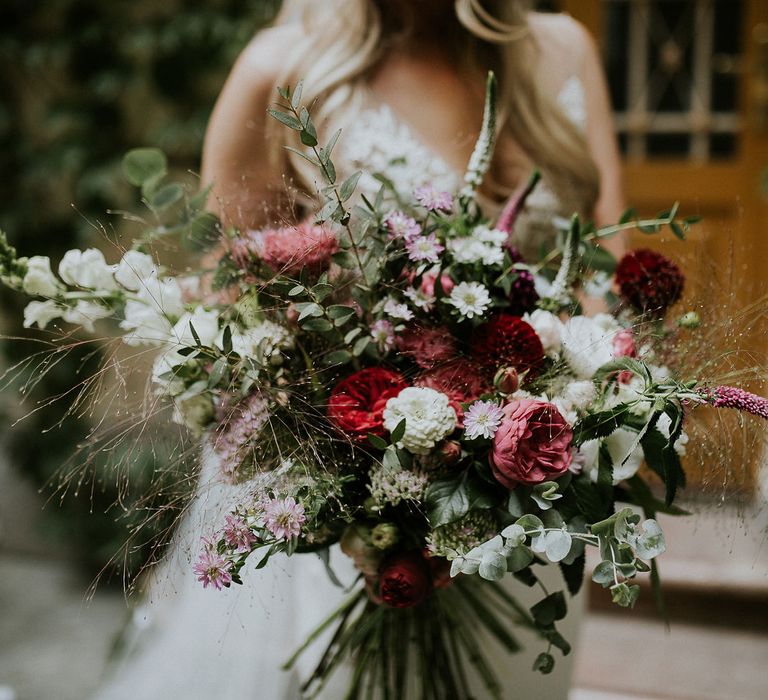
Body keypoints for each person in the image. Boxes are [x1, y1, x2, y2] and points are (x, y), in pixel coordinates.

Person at [93, 1, 625, 698]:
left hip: (537, 487)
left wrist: (589, 390)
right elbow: (234, 299)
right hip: (354, 512)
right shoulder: (281, 70)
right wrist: (367, 470)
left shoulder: (564, 49)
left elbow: (600, 265)